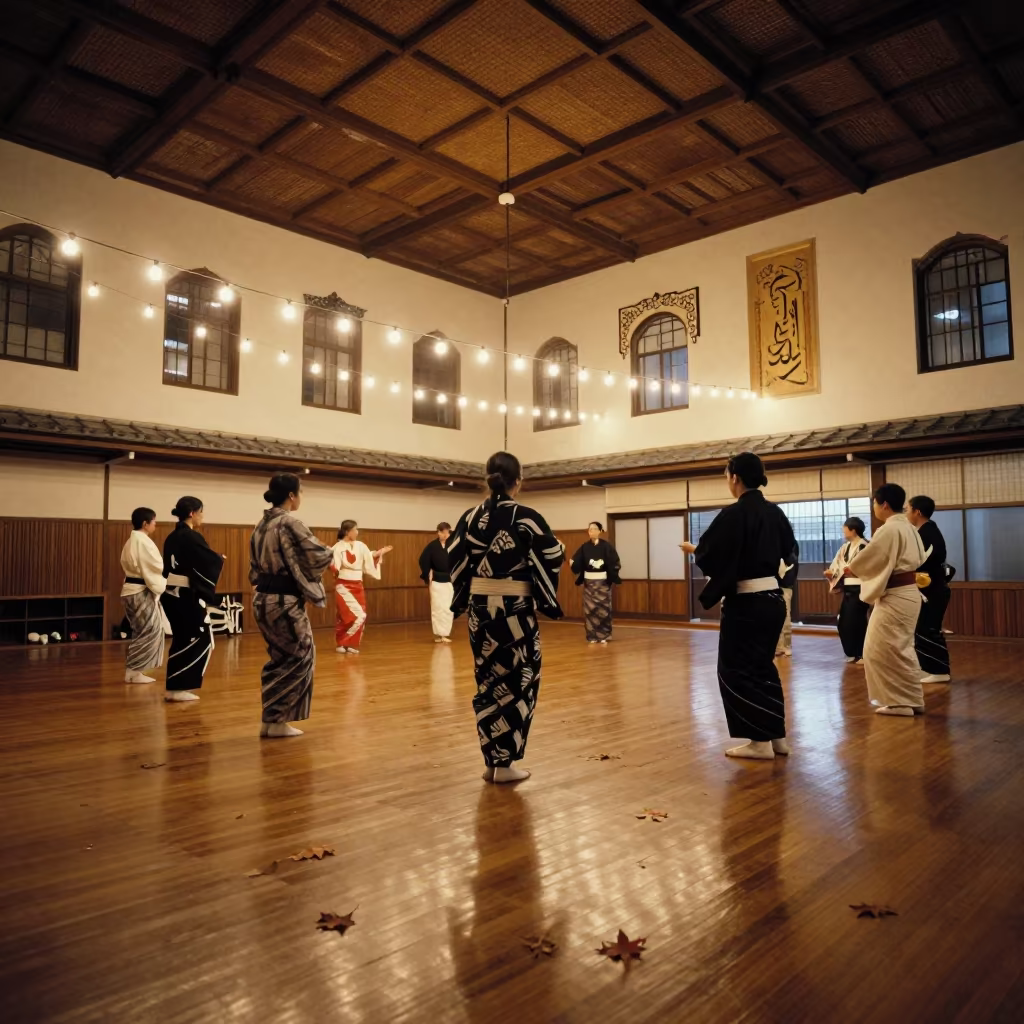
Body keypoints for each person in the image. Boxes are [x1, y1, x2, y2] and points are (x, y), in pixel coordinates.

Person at [449, 451, 564, 784]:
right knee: (520, 680)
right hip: (515, 610)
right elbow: (553, 554)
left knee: (488, 681)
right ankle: (506, 763)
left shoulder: (470, 517)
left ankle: (491, 761)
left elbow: (454, 557)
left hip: (480, 612)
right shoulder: (526, 517)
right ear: (519, 481)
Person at [680, 452, 795, 760]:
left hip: (747, 604)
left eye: (726, 476)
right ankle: (777, 737)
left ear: (735, 477)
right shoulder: (775, 513)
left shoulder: (735, 513)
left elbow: (711, 553)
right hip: (773, 600)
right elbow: (788, 552)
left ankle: (759, 743)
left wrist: (696, 550)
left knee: (737, 669)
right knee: (763, 668)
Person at [250, 473, 334, 738]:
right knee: (299, 657)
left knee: (280, 658)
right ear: (291, 495)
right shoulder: (288, 522)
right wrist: (330, 551)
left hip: (262, 598)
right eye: (300, 492)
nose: (301, 497)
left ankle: (271, 719)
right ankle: (277, 721)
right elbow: (316, 554)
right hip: (283, 602)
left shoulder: (261, 524)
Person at [846, 483, 927, 717]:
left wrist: (853, 568)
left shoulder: (890, 529)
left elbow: (869, 560)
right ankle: (912, 698)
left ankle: (898, 702)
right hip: (908, 593)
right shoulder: (909, 527)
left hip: (897, 595)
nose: (873, 508)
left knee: (877, 649)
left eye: (873, 502)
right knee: (901, 647)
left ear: (884, 504)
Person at [161, 496, 224, 702]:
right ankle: (178, 688)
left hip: (172, 594)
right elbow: (205, 561)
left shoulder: (172, 537)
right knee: (197, 637)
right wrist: (218, 559)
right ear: (192, 513)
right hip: (185, 595)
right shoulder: (190, 536)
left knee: (182, 639)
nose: (202, 516)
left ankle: (175, 687)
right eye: (201, 512)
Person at [907, 495, 952, 683]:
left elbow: (920, 563)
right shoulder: (925, 531)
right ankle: (928, 667)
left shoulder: (927, 533)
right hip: (930, 588)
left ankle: (938, 671)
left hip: (931, 589)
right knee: (924, 628)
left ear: (917, 511)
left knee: (928, 628)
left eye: (908, 509)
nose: (906, 513)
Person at [119, 506, 166, 683]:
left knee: (143, 630)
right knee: (149, 630)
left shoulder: (134, 541)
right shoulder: (142, 542)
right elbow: (154, 568)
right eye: (153, 521)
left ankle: (134, 671)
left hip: (132, 590)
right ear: (146, 523)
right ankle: (133, 671)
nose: (155, 524)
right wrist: (162, 584)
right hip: (139, 591)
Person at [331, 520, 392, 653]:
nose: (357, 532)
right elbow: (334, 564)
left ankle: (351, 644)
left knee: (361, 615)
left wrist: (379, 553)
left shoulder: (361, 545)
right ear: (347, 532)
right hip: (343, 586)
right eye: (355, 529)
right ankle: (342, 643)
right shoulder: (337, 547)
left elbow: (369, 558)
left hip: (358, 585)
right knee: (346, 615)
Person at [824, 516, 870, 663]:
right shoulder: (845, 548)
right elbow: (837, 566)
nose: (843, 531)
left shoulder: (866, 546)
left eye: (845, 528)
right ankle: (851, 652)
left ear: (853, 530)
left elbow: (871, 567)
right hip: (848, 588)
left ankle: (862, 653)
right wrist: (832, 573)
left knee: (857, 621)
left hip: (861, 587)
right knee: (844, 621)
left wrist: (855, 571)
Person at [570, 521, 621, 644]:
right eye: (589, 529)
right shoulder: (584, 547)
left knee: (603, 609)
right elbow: (576, 561)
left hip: (602, 582)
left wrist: (612, 573)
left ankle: (604, 635)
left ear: (600, 531)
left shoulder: (606, 546)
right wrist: (573, 563)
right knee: (590, 610)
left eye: (594, 529)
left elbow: (615, 562)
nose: (591, 531)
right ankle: (592, 635)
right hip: (589, 583)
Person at [419, 522, 454, 644]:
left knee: (448, 608)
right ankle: (438, 634)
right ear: (438, 532)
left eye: (446, 532)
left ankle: (445, 634)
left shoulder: (453, 545)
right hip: (436, 580)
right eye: (442, 532)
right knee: (437, 608)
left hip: (449, 580)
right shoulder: (432, 546)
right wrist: (426, 574)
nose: (444, 535)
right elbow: (423, 560)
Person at [776, 541, 799, 657]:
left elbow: (794, 568)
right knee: (775, 618)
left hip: (785, 587)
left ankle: (787, 645)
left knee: (786, 616)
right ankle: (778, 646)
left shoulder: (792, 546)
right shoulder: (771, 545)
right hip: (773, 586)